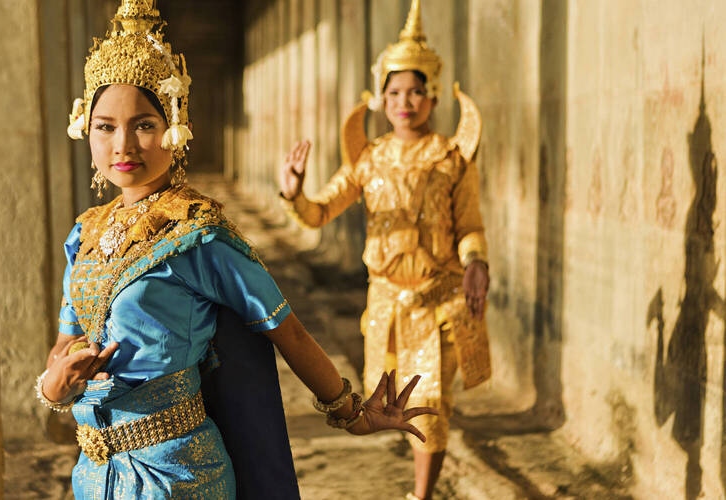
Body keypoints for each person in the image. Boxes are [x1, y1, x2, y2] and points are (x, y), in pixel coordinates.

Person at [34, 2, 437, 498]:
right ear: (86, 129)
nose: (124, 146)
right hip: (94, 478)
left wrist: (352, 413)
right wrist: (55, 386)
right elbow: (64, 342)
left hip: (181, 475)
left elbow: (286, 330)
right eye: (105, 126)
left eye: (143, 124)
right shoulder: (85, 236)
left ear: (175, 128)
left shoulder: (200, 237)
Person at [277, 1, 491, 499]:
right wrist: (295, 193)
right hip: (388, 304)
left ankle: (422, 494)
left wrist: (476, 262)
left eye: (416, 91)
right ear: (380, 98)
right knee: (392, 404)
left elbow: (471, 226)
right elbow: (320, 212)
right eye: (395, 91)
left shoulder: (452, 159)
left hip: (439, 301)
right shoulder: (369, 160)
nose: (405, 101)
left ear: (433, 97)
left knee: (432, 404)